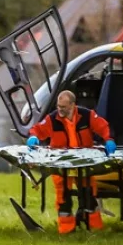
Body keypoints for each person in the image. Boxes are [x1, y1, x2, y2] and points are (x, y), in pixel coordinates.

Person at [26, 90, 115, 234]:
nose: (60, 109)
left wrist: (109, 139)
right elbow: (37, 129)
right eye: (58, 106)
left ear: (73, 105)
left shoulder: (87, 116)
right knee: (63, 198)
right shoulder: (52, 119)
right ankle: (66, 230)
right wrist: (33, 137)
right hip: (61, 165)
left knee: (89, 195)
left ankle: (95, 228)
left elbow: (103, 126)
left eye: (63, 107)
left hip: (84, 163)